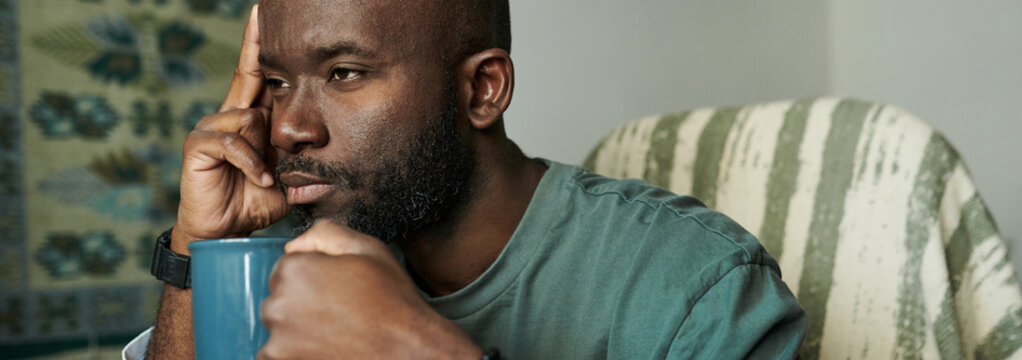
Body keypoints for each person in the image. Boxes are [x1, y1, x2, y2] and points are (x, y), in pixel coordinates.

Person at [124, 0, 807, 358]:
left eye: (344, 73)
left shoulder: (696, 287)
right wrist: (195, 246)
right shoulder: (294, 270)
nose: (286, 128)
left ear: (482, 89)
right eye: (275, 81)